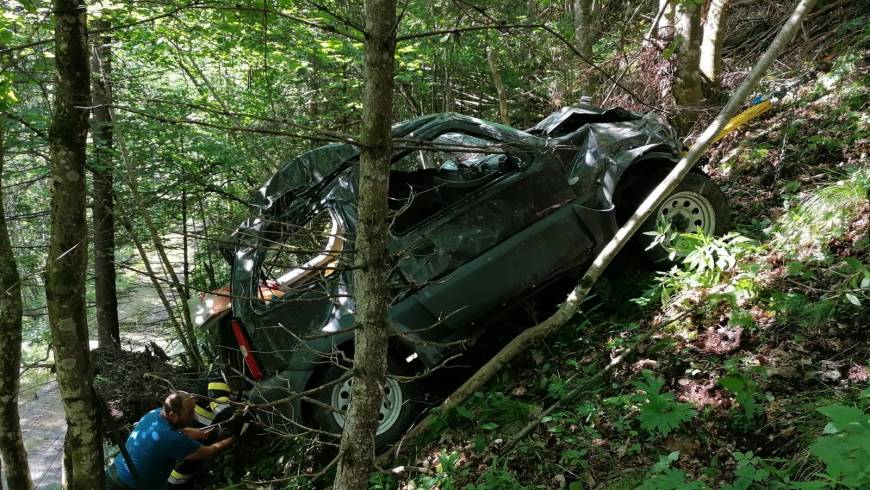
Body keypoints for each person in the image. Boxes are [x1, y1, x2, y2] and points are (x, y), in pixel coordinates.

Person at [105, 392, 235, 489]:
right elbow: (208, 451)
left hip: (112, 474)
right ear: (172, 415)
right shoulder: (171, 439)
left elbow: (179, 430)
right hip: (126, 486)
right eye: (189, 413)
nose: (193, 416)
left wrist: (200, 434)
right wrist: (232, 439)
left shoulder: (155, 414)